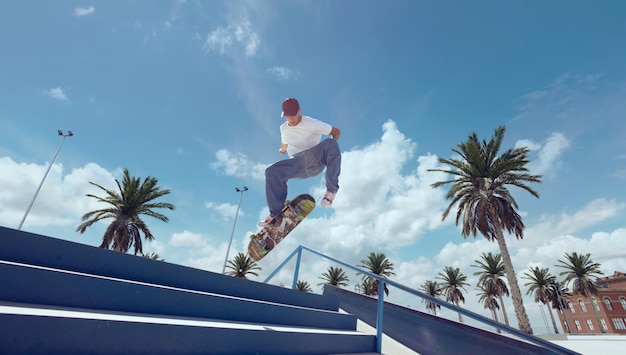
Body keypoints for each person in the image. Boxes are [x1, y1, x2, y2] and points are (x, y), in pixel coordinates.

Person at [259, 97, 342, 226]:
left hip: (314, 159)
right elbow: (285, 142)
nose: (291, 119)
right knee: (271, 171)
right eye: (287, 115)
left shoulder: (312, 123)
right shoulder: (283, 128)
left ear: (299, 111)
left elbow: (336, 132)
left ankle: (331, 191)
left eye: (293, 114)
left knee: (331, 143)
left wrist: (327, 154)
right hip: (297, 164)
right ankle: (275, 215)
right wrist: (282, 150)